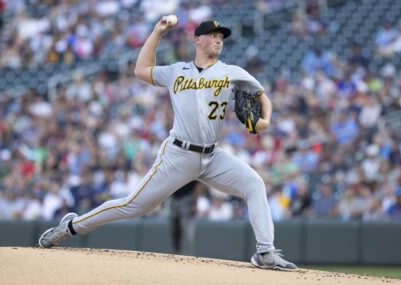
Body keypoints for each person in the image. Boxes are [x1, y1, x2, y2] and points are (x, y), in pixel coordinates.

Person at [39, 17, 297, 271]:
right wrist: (157, 32)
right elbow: (141, 70)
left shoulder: (231, 72)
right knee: (135, 205)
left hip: (213, 157)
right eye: (213, 36)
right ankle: (71, 227)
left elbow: (263, 98)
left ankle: (265, 252)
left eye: (221, 38)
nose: (219, 40)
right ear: (197, 40)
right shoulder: (176, 71)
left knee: (254, 184)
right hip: (178, 154)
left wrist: (264, 121)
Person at [169, 180, 199, 255]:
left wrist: (194, 202)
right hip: (174, 198)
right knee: (175, 229)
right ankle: (176, 253)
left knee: (186, 230)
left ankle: (187, 256)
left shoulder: (191, 168)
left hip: (187, 198)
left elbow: (198, 185)